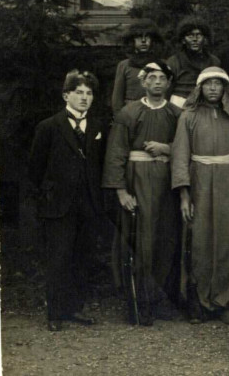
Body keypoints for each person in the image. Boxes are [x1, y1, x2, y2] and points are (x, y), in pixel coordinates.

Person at [102, 61, 182, 325]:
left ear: (169, 83)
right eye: (152, 78)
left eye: (162, 78)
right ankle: (140, 301)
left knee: (166, 237)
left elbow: (186, 147)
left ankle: (160, 299)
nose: (157, 82)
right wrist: (121, 191)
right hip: (138, 180)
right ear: (144, 83)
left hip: (167, 182)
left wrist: (167, 148)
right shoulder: (129, 112)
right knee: (142, 240)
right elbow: (116, 153)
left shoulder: (176, 113)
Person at [29, 69, 105, 331]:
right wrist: (48, 195)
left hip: (88, 203)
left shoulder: (97, 128)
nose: (84, 98)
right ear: (66, 96)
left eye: (89, 93)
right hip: (59, 205)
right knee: (59, 258)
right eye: (79, 93)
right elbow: (35, 169)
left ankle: (75, 308)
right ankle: (55, 312)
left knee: (82, 257)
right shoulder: (49, 126)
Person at [171, 67, 229, 325]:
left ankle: (224, 299)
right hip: (199, 180)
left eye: (218, 84)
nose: (213, 88)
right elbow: (180, 155)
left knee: (227, 239)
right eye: (208, 84)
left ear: (225, 88)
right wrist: (184, 195)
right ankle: (197, 300)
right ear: (199, 88)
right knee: (200, 240)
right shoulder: (188, 116)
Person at [166, 16, 221, 108]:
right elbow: (166, 91)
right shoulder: (173, 62)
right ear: (183, 40)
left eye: (198, 35)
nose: (195, 39)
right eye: (190, 35)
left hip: (206, 106)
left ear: (205, 39)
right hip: (179, 106)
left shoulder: (214, 62)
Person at [112, 18, 164, 113]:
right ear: (132, 40)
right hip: (131, 113)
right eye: (139, 37)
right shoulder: (124, 65)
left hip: (155, 112)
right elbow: (117, 99)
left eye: (147, 37)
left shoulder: (161, 65)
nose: (143, 40)